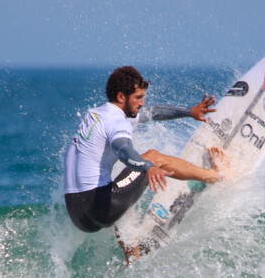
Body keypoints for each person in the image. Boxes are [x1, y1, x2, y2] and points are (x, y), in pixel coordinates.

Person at [63, 65, 229, 233]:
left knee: (123, 185)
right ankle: (217, 176)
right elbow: (123, 150)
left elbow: (153, 112)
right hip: (101, 207)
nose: (142, 103)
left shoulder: (98, 113)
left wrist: (189, 111)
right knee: (152, 156)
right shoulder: (116, 122)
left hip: (77, 214)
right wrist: (147, 166)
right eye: (138, 97)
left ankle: (132, 255)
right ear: (121, 97)